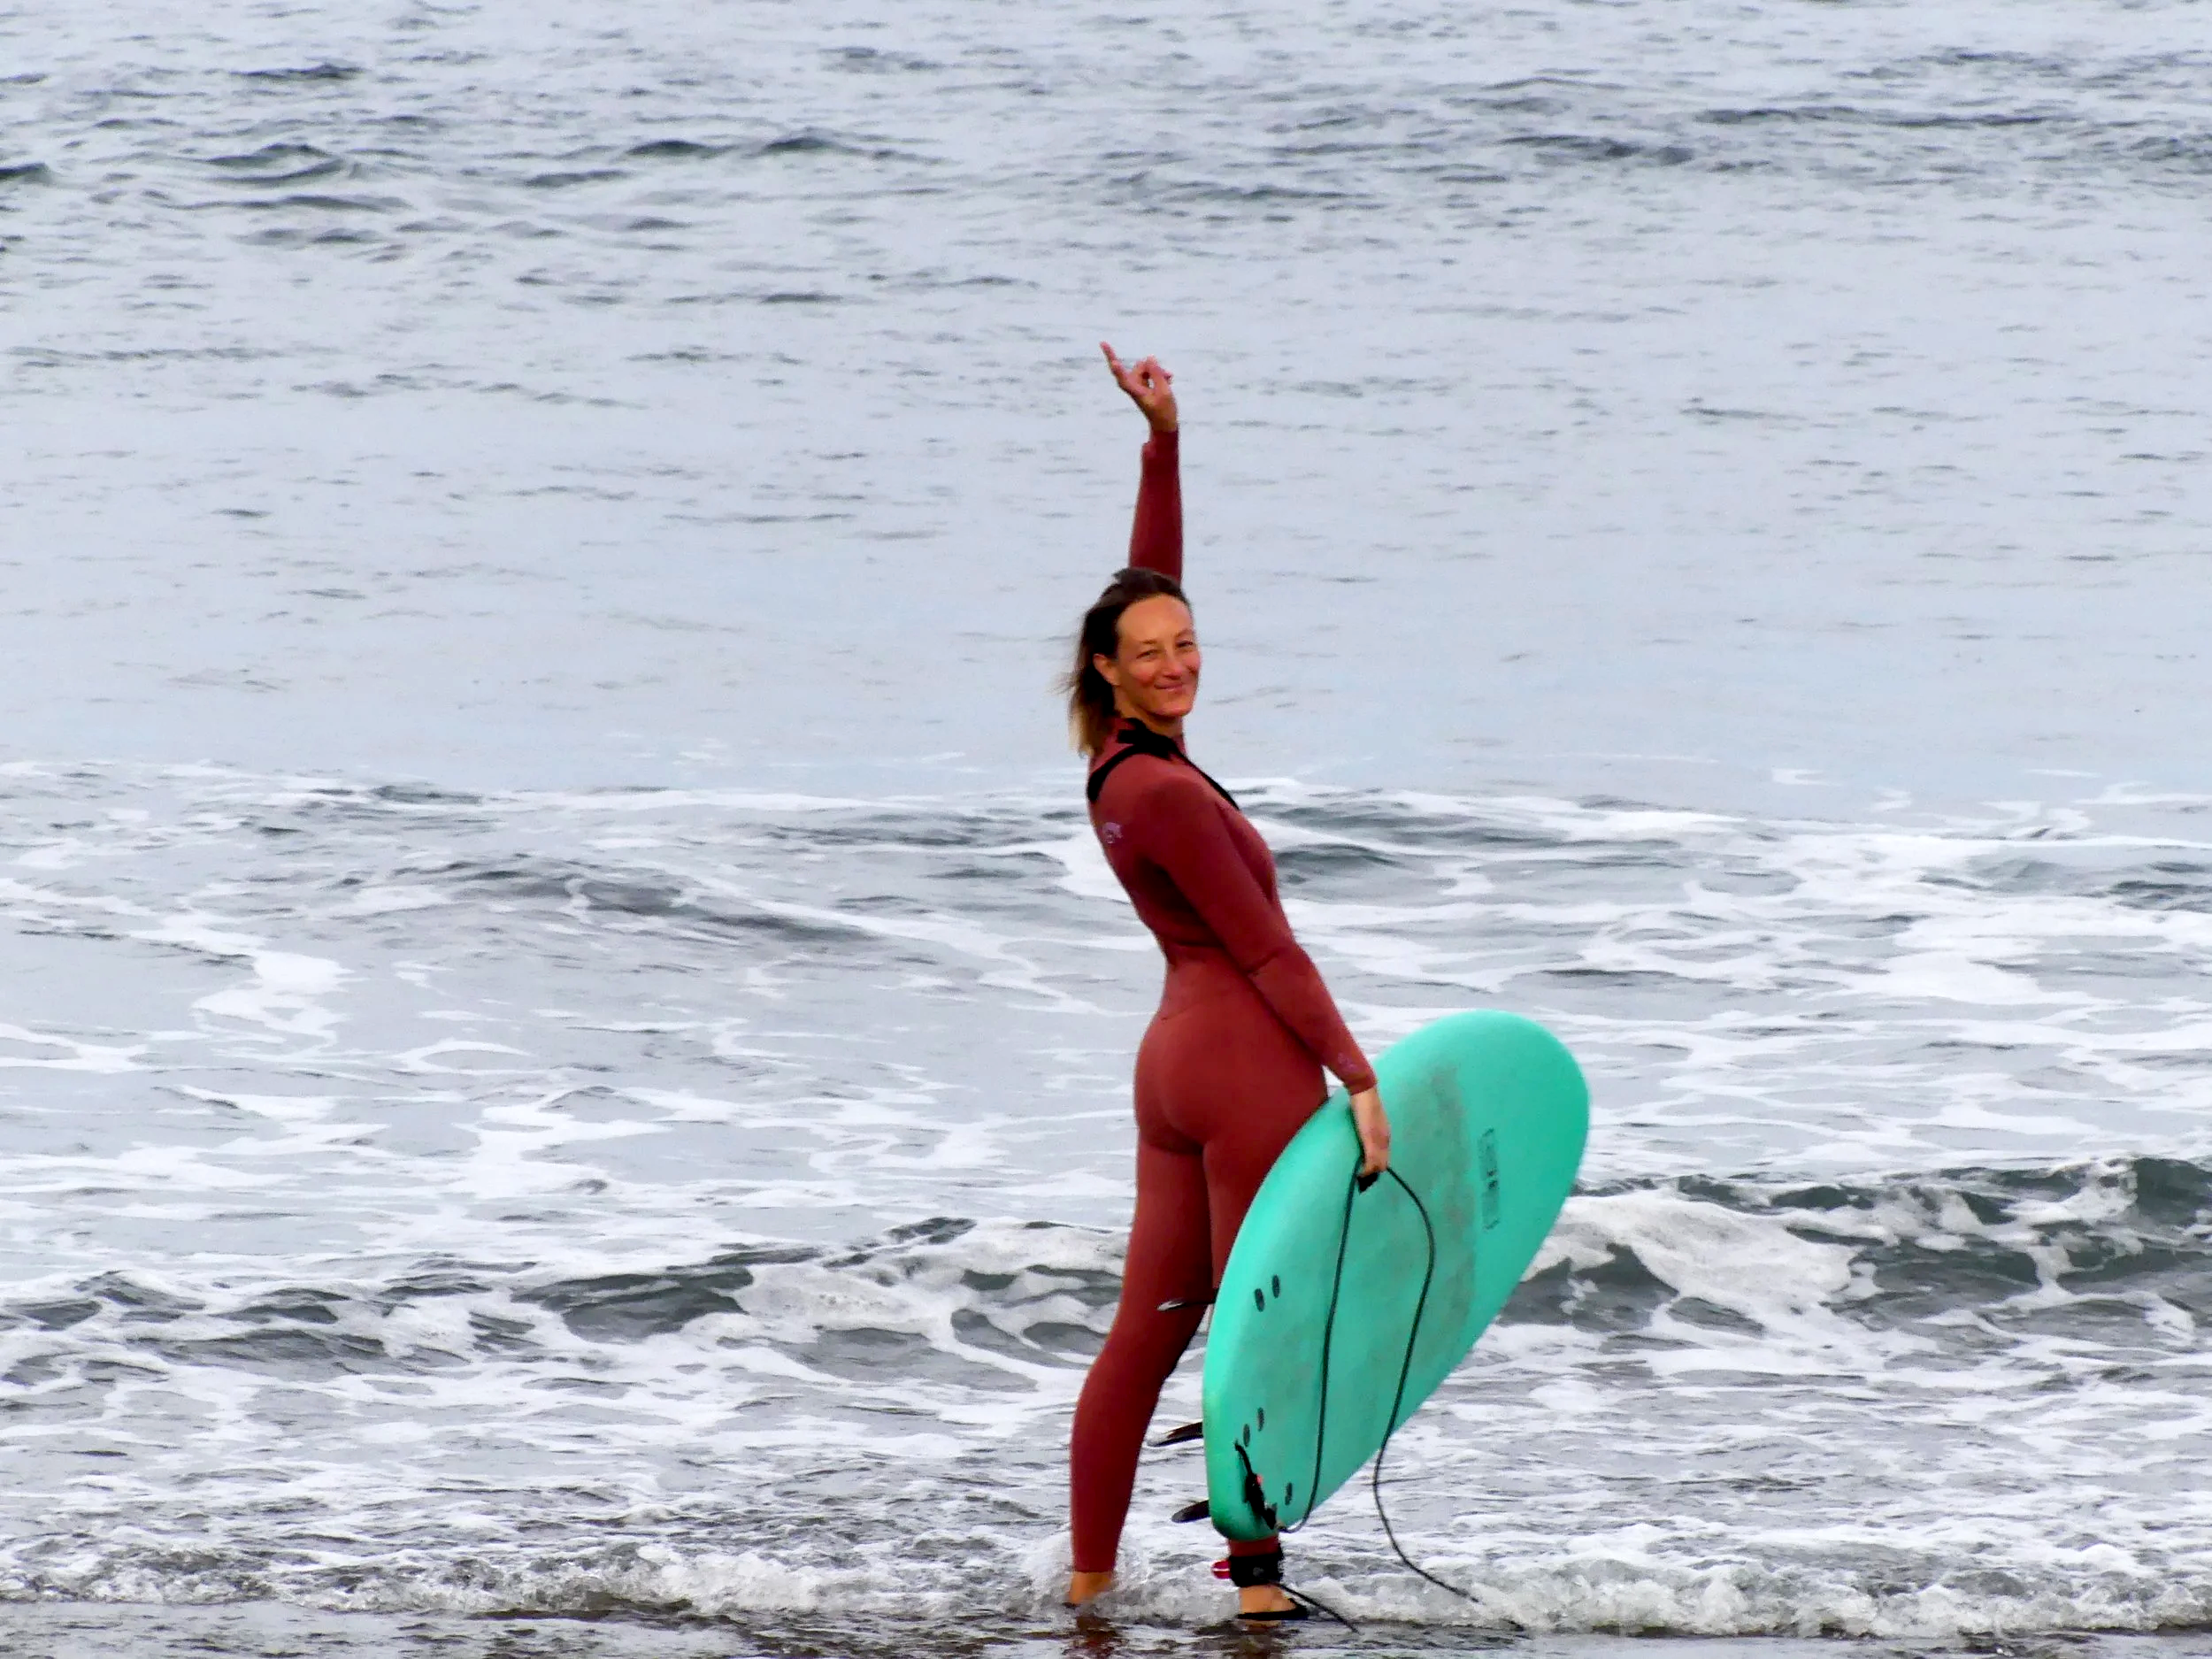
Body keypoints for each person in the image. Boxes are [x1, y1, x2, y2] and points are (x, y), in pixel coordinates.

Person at [1063, 344, 1391, 1624]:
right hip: (1243, 1059)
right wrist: (1358, 1077)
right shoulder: (1164, 789)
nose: (1177, 659)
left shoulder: (1120, 762)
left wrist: (1162, 445)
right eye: (1151, 651)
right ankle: (1257, 1591)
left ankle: (1089, 1584)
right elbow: (1268, 948)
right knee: (1268, 1317)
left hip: (1167, 1065)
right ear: (1107, 666)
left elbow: (1150, 587)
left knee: (1149, 1331)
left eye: (1187, 643)